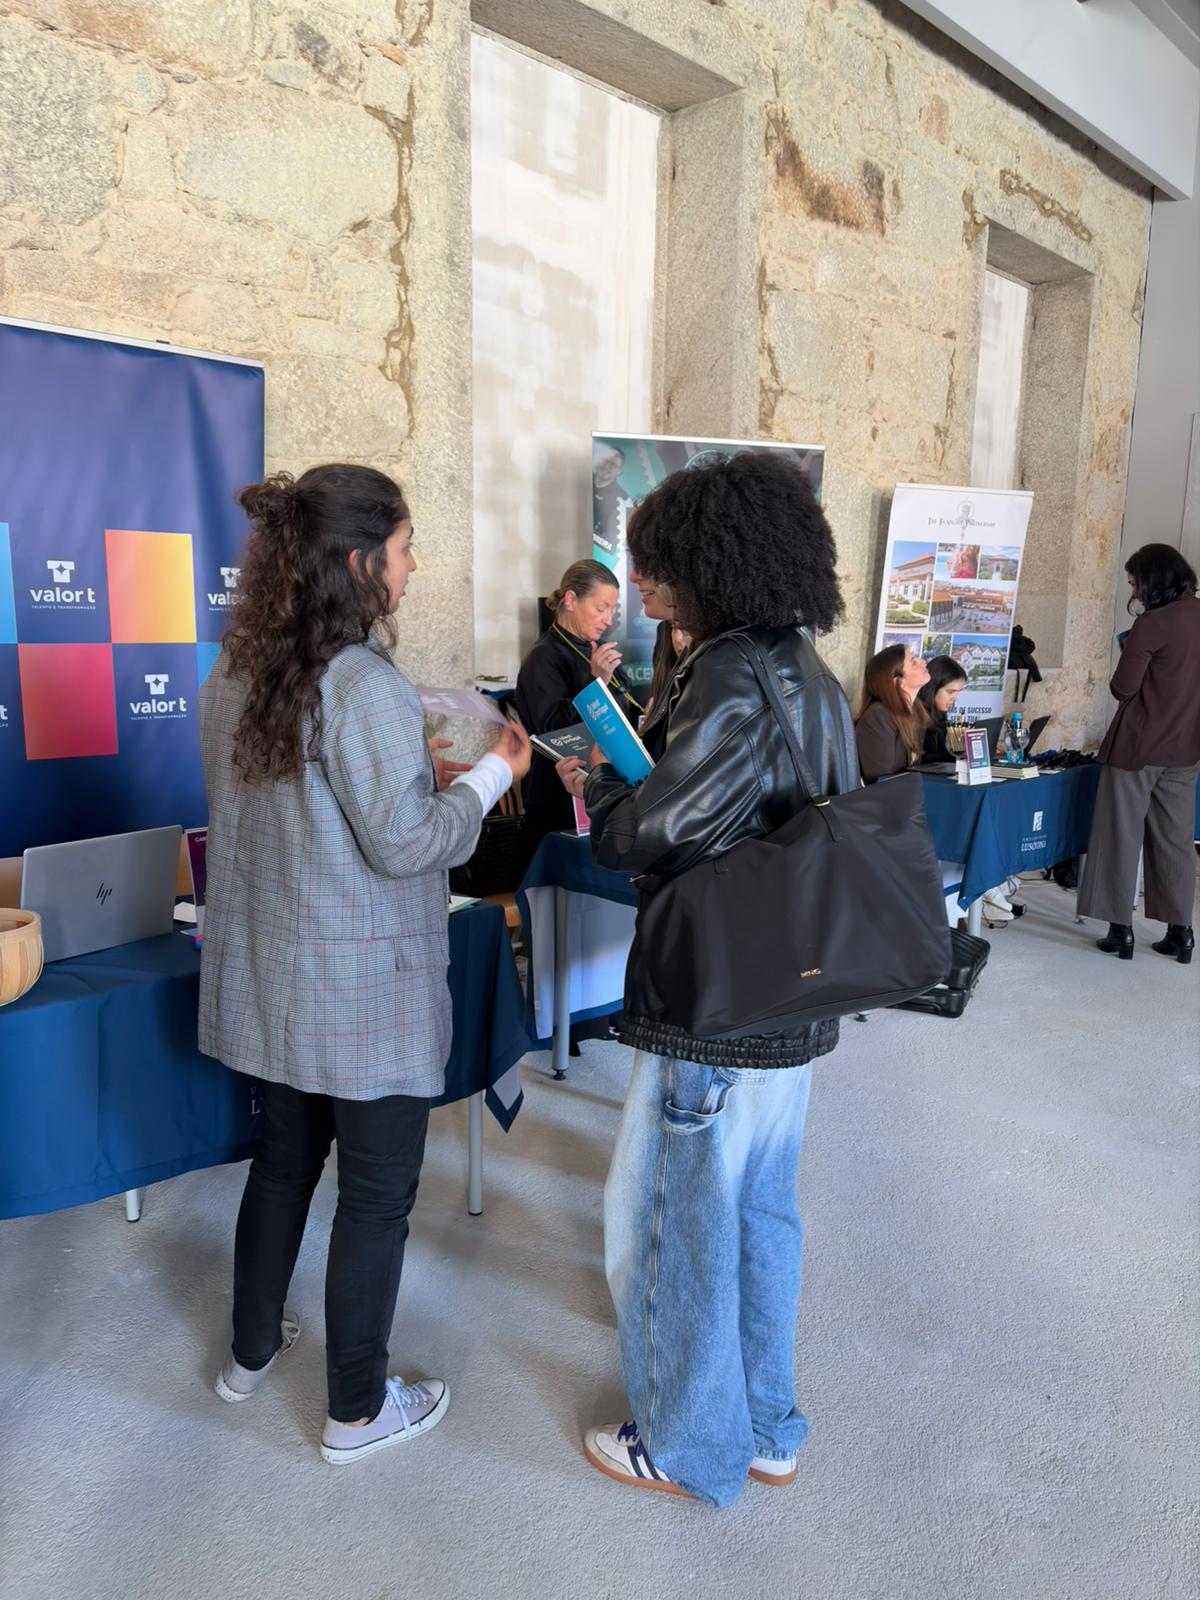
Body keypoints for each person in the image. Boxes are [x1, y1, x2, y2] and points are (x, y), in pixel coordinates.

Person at [198, 463, 531, 1464]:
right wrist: (489, 774)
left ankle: (247, 1356)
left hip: (272, 984)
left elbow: (298, 807)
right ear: (357, 562)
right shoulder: (365, 683)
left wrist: (412, 779)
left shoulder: (235, 671)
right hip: (362, 997)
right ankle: (355, 1411)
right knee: (378, 1197)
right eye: (403, 547)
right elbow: (408, 845)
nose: (413, 564)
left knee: (283, 1164)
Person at [576, 449, 859, 1508]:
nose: (639, 584)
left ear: (710, 561)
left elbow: (648, 833)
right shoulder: (810, 673)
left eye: (653, 566)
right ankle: (771, 1426)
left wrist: (607, 785)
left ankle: (689, 1442)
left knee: (670, 1220)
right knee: (762, 1212)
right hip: (794, 989)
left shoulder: (733, 673)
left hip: (717, 1008)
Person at [1077, 543, 1200, 962]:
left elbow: (1122, 688)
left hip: (1138, 747)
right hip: (1186, 747)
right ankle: (1181, 932)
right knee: (1176, 839)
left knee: (1119, 833)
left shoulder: (1152, 623)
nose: (1132, 589)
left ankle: (1120, 931)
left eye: (1134, 581)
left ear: (1152, 579)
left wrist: (1130, 649)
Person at [514, 558, 643, 850]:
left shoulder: (594, 650)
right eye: (601, 608)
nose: (609, 619)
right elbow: (554, 731)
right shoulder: (543, 658)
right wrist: (595, 683)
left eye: (612, 609)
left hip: (604, 789)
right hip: (559, 799)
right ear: (571, 600)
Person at [854, 643, 930, 782]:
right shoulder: (877, 717)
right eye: (913, 662)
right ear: (898, 682)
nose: (922, 661)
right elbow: (880, 780)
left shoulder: (916, 711)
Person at [917, 655, 966, 763]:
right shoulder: (914, 717)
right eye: (950, 692)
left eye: (957, 692)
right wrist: (960, 754)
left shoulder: (939, 715)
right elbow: (920, 760)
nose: (955, 698)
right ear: (932, 688)